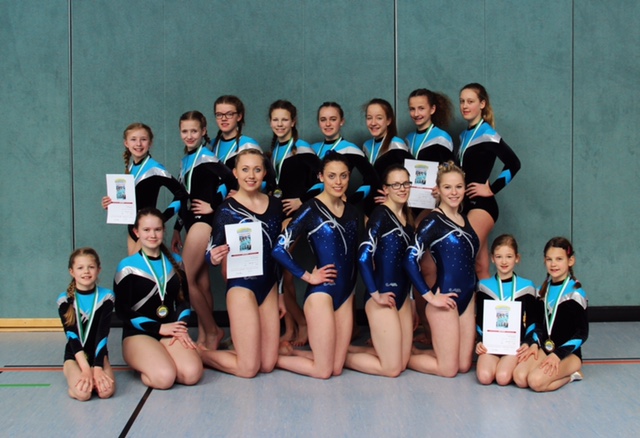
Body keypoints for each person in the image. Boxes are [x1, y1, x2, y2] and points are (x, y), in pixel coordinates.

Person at [272, 152, 359, 379]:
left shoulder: (352, 212)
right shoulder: (311, 209)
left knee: (336, 368)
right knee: (323, 371)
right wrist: (307, 276)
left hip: (346, 294)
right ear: (321, 177)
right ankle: (272, 359)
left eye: (343, 176)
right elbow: (279, 249)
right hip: (322, 294)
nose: (338, 182)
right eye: (331, 176)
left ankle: (291, 352)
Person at [201, 149, 285, 377]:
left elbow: (279, 254)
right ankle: (200, 354)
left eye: (257, 169)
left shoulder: (275, 206)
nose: (251, 175)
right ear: (236, 173)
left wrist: (280, 293)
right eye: (245, 169)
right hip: (241, 287)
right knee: (248, 369)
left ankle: (240, 350)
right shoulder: (226, 210)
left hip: (268, 286)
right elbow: (210, 251)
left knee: (267, 365)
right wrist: (214, 257)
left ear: (264, 173)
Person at [404, 161, 479, 377]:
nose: (454, 192)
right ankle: (400, 356)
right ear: (438, 190)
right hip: (444, 300)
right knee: (449, 370)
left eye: (458, 187)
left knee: (464, 365)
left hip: (466, 299)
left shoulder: (463, 219)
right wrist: (429, 296)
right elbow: (409, 258)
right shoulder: (434, 221)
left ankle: (413, 352)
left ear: (465, 188)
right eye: (448, 187)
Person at [114, 208, 203, 389]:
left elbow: (184, 301)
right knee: (165, 378)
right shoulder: (127, 267)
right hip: (138, 334)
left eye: (157, 229)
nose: (152, 235)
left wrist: (180, 327)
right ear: (137, 232)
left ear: (163, 230)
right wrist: (159, 328)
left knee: (192, 374)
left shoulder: (176, 261)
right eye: (146, 230)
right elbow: (122, 311)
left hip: (170, 330)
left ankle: (161, 355)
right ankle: (151, 361)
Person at [171, 111, 235, 351]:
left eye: (194, 131)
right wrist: (177, 228)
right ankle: (207, 336)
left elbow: (232, 181)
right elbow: (185, 197)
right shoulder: (186, 159)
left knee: (186, 280)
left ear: (203, 131)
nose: (189, 135)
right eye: (185, 131)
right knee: (200, 281)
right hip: (191, 223)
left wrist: (214, 205)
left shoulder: (207, 158)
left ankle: (213, 330)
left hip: (203, 222)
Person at [345, 165, 414, 377]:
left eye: (406, 183)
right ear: (386, 189)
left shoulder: (407, 219)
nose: (402, 188)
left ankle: (346, 350)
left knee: (402, 363)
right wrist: (375, 293)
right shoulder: (381, 214)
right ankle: (335, 355)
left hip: (401, 297)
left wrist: (411, 299)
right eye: (396, 184)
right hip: (382, 296)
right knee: (392, 369)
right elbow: (363, 256)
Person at [268, 100, 322, 346]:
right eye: (275, 120)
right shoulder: (274, 150)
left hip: (296, 216)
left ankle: (302, 323)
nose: (280, 124)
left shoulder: (303, 149)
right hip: (277, 214)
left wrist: (302, 200)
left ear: (293, 121)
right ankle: (290, 326)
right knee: (283, 273)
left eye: (284, 119)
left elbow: (322, 181)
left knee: (283, 268)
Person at [404, 89, 456, 344]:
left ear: (432, 109)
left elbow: (450, 172)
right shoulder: (408, 139)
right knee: (417, 267)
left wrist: (440, 190)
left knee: (429, 267)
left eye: (421, 108)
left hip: (433, 210)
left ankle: (437, 329)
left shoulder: (442, 139)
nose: (416, 113)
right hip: (411, 209)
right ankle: (425, 327)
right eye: (412, 109)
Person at [458, 83, 521, 280]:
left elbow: (514, 164)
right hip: (465, 204)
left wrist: (492, 189)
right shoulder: (463, 135)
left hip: (482, 205)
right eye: (462, 101)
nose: (465, 106)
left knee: (463, 253)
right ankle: (486, 300)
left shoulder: (487, 133)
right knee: (480, 265)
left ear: (482, 104)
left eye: (470, 101)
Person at [513, 237, 588, 392]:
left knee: (535, 382)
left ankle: (572, 375)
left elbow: (582, 333)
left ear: (570, 261)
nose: (553, 264)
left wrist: (558, 355)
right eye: (549, 259)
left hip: (568, 354)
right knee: (519, 377)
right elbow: (537, 323)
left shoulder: (575, 293)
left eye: (559, 259)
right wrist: (534, 343)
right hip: (546, 348)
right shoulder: (542, 291)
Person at [102, 123, 188, 255]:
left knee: (141, 266)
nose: (138, 144)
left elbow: (182, 195)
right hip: (133, 229)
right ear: (126, 143)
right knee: (134, 267)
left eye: (143, 139)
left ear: (150, 143)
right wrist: (112, 204)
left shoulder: (155, 169)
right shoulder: (131, 168)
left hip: (147, 230)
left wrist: (161, 218)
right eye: (133, 139)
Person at [475, 234, 536, 385]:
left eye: (509, 256)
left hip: (515, 345)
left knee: (502, 378)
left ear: (517, 258)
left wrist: (527, 343)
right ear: (492, 258)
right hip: (491, 345)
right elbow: (480, 319)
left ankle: (506, 365)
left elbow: (532, 320)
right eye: (499, 256)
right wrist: (480, 341)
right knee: (484, 377)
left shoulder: (527, 287)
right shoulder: (483, 286)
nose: (504, 261)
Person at [57, 248, 115, 401]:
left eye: (91, 267)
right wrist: (85, 369)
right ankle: (73, 383)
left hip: (99, 356)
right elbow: (72, 336)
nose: (86, 271)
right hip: (75, 357)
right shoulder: (64, 300)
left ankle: (92, 377)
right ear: (72, 271)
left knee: (105, 392)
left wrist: (97, 367)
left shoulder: (107, 296)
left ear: (98, 270)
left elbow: (103, 334)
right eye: (80, 268)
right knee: (84, 395)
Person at [312, 102, 380, 215]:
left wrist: (350, 201)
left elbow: (373, 180)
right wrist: (301, 200)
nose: (328, 124)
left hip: (336, 210)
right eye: (323, 120)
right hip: (312, 208)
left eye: (333, 119)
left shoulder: (351, 149)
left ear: (342, 121)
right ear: (319, 122)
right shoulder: (311, 149)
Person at [362, 98, 412, 182]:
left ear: (388, 121)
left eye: (379, 118)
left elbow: (413, 175)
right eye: (369, 118)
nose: (373, 123)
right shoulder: (366, 146)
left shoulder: (396, 144)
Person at [211, 95, 262, 170]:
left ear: (239, 116)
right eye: (219, 114)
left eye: (229, 114)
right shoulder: (211, 145)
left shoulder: (249, 145)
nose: (224, 118)